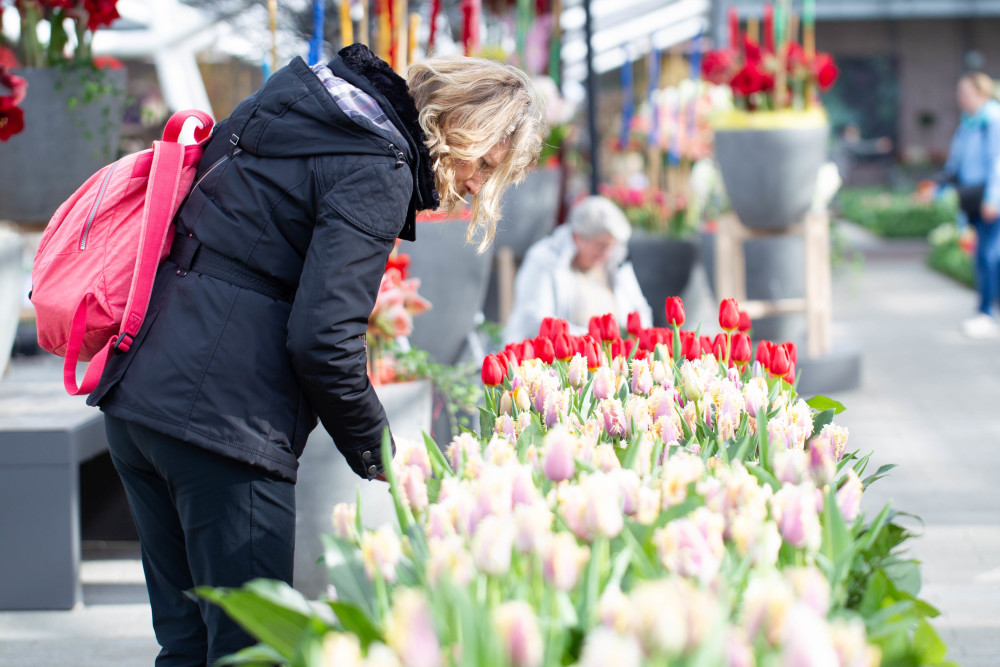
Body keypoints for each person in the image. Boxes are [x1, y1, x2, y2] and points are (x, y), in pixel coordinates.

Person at [85, 44, 543, 665]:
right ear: (463, 129)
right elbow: (324, 339)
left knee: (188, 645)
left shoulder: (301, 108)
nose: (475, 187)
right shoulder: (377, 165)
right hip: (224, 428)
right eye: (485, 166)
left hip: (140, 398)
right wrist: (381, 452)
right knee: (253, 649)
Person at [503, 195, 652, 343]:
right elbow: (535, 321)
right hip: (561, 361)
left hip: (614, 357)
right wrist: (593, 340)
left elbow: (640, 310)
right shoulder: (544, 259)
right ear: (577, 237)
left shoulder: (616, 259)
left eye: (611, 247)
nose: (606, 254)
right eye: (600, 246)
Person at [919, 71, 1000, 339]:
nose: (960, 98)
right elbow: (956, 166)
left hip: (990, 201)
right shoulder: (968, 124)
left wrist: (993, 198)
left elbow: (996, 163)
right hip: (972, 200)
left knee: (989, 255)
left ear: (982, 94)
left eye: (965, 93)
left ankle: (986, 312)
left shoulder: (993, 120)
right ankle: (985, 310)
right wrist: (937, 188)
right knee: (981, 256)